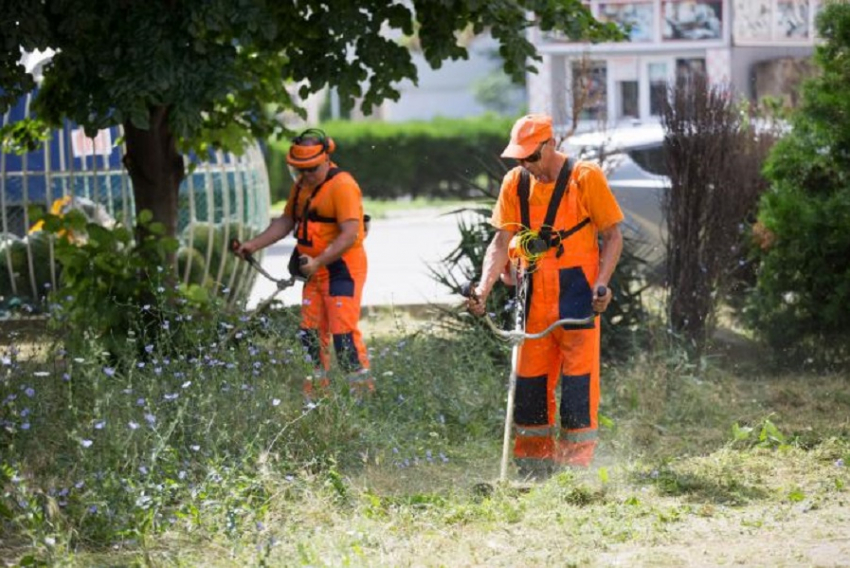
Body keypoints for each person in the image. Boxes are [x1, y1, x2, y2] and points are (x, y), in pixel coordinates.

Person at [467, 114, 623, 476]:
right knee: (531, 382)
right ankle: (532, 466)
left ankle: (575, 470)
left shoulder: (585, 178)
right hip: (532, 292)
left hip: (577, 291)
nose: (527, 165)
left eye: (532, 157)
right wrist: (483, 288)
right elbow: (502, 240)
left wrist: (602, 283)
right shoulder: (515, 183)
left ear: (550, 145)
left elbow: (613, 236)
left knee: (578, 382)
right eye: (521, 159)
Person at [236, 128, 372, 399]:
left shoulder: (342, 186)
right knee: (310, 334)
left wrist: (319, 260)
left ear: (325, 160)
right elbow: (287, 221)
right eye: (298, 170)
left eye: (310, 170)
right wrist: (252, 244)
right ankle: (316, 396)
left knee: (343, 335)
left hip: (341, 271)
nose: (304, 176)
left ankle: (362, 396)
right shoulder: (301, 187)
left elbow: (350, 234)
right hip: (314, 272)